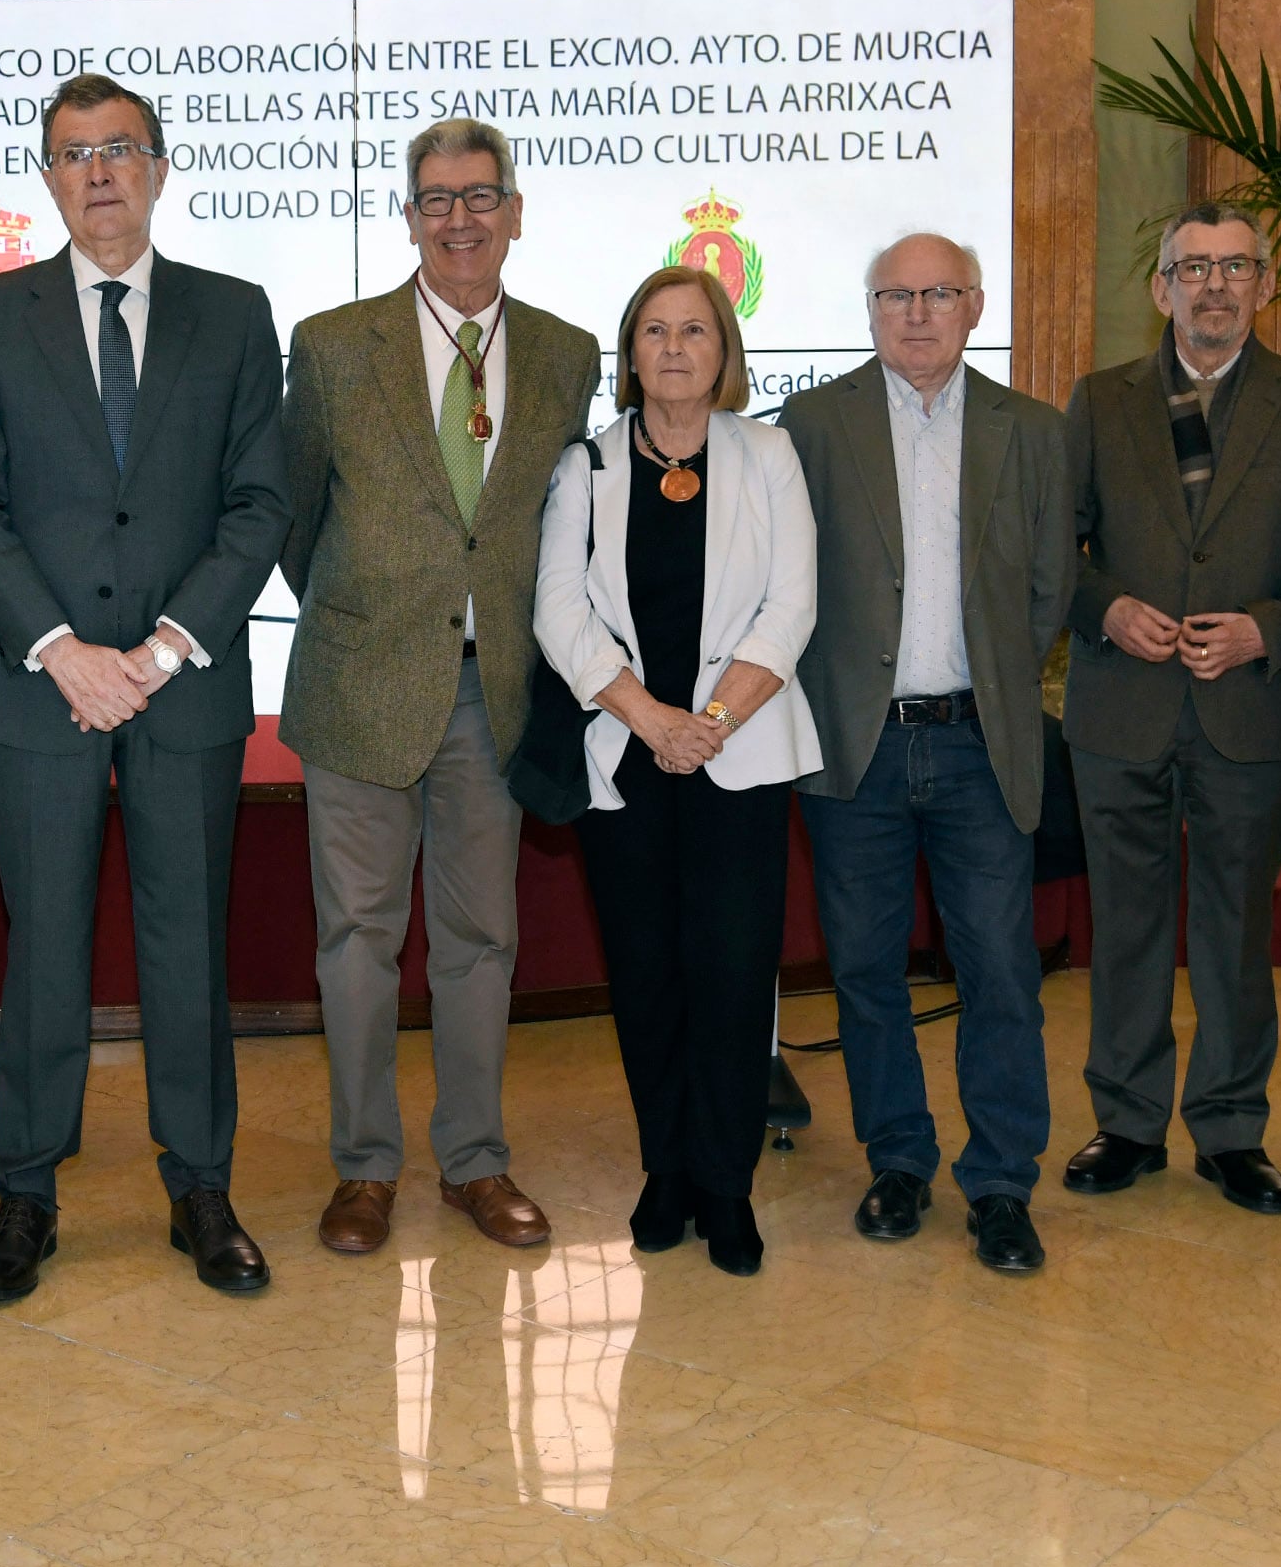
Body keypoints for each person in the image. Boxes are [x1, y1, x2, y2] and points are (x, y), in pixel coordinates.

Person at [0, 75, 289, 1305]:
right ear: (48, 178)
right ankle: (26, 1195)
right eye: (74, 154)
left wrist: (166, 645)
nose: (98, 173)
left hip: (183, 690)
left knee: (188, 945)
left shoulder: (234, 314)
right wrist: (60, 650)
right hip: (42, 695)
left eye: (120, 150)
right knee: (43, 952)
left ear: (159, 166)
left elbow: (260, 503)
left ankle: (202, 1185)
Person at [278, 119, 599, 1258]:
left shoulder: (569, 353)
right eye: (436, 200)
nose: (459, 218)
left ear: (516, 211)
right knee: (355, 938)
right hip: (362, 683)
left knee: (481, 938)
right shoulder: (330, 344)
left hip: (498, 690)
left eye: (480, 196)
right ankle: (364, 1169)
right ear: (406, 217)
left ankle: (474, 1160)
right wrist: (376, 606)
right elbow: (296, 518)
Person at [780, 233, 1071, 1274]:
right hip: (853, 749)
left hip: (980, 746)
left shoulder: (1031, 431)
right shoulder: (810, 424)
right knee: (863, 970)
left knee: (1000, 971)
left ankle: (1000, 1183)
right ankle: (897, 1160)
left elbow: (1045, 591)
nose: (916, 312)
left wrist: (983, 682)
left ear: (975, 305)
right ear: (868, 310)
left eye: (938, 292)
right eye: (895, 295)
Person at [1057, 203, 1281, 1215]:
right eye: (1193, 268)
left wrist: (1268, 628)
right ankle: (1129, 1120)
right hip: (1121, 709)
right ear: (1161, 289)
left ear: (1264, 287)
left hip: (1249, 711)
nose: (1214, 286)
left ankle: (1230, 1129)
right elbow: (1063, 551)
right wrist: (1108, 610)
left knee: (1235, 930)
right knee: (1127, 926)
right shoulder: (1099, 402)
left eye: (1235, 268)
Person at [533, 266, 820, 1276]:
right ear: (630, 353)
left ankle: (728, 1185)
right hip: (628, 757)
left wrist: (707, 722)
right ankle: (667, 1169)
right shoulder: (590, 468)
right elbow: (559, 614)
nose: (674, 348)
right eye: (654, 330)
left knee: (735, 977)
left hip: (738, 756)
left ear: (725, 352)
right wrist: (653, 720)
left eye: (695, 329)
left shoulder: (770, 456)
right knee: (649, 976)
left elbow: (791, 607)